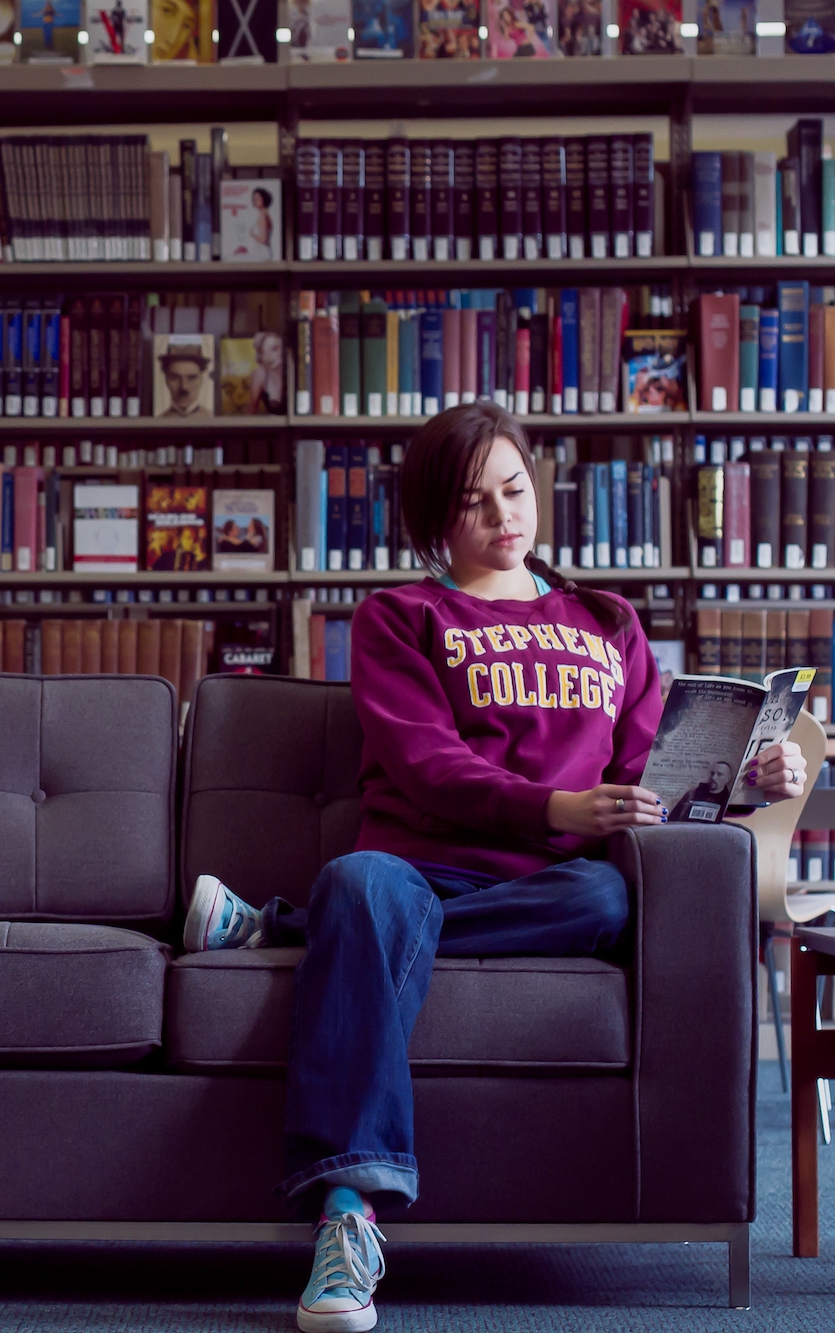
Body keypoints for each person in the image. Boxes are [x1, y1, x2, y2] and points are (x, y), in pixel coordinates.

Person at [180, 401, 806, 1333]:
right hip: (420, 865)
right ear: (437, 517)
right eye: (475, 503)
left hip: (555, 883)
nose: (504, 517)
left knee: (604, 893)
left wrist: (750, 778)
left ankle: (281, 924)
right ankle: (348, 1217)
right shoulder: (400, 616)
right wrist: (551, 804)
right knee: (362, 884)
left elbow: (648, 779)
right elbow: (423, 762)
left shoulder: (608, 620)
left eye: (515, 490)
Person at [667, 759, 736, 822]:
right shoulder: (692, 793)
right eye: (712, 773)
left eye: (719, 774)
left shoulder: (729, 799)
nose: (714, 777)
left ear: (728, 778)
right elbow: (674, 817)